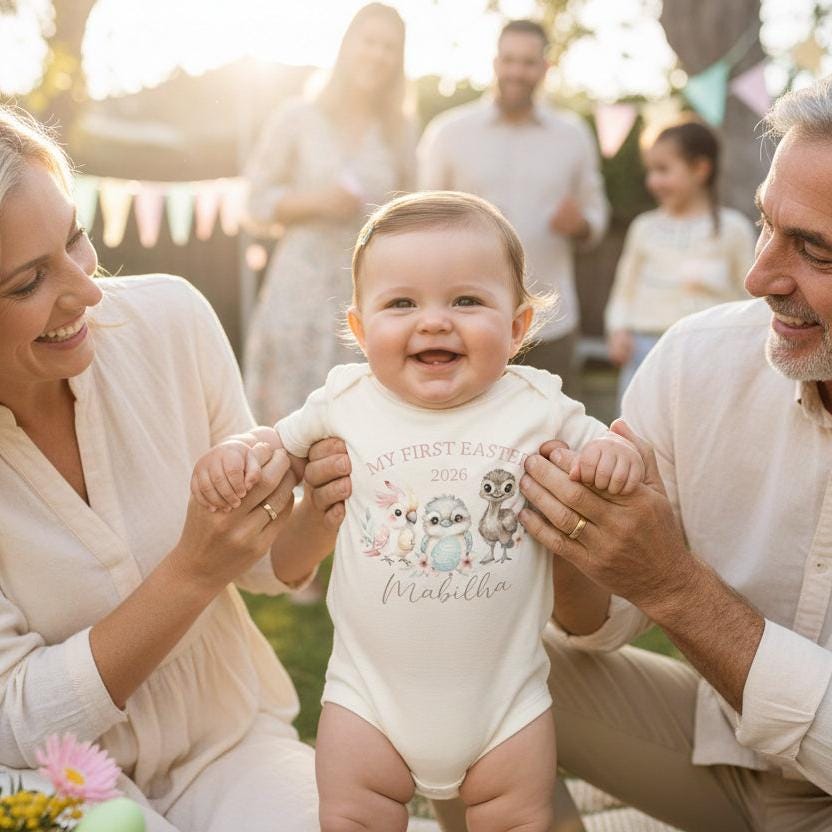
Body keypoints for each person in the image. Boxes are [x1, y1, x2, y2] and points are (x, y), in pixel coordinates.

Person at [193, 191, 645, 832]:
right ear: (359, 329)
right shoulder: (344, 399)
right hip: (367, 700)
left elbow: (602, 443)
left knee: (520, 818)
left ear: (517, 327)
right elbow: (277, 445)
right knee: (350, 814)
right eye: (401, 303)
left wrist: (613, 459)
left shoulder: (538, 406)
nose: (434, 322)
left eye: (466, 300)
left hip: (506, 706)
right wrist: (239, 453)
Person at [0, 105, 351, 832]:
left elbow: (262, 567)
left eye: (76, 239)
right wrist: (190, 571)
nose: (87, 291)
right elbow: (14, 721)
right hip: (40, 786)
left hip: (226, 745)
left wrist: (315, 511)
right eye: (29, 282)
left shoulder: (172, 321)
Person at [504, 78, 832, 830]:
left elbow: (667, 589)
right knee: (466, 676)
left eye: (813, 249)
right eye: (766, 227)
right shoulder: (697, 361)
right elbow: (599, 623)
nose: (758, 279)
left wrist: (675, 587)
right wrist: (570, 536)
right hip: (724, 749)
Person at [243, 2, 416, 425]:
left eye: (389, 47)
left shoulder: (401, 131)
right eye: (369, 41)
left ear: (398, 59)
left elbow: (413, 216)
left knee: (357, 422)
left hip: (367, 297)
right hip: (297, 292)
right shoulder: (297, 118)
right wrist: (315, 202)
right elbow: (254, 203)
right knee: (287, 420)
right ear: (347, 45)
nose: (377, 54)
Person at [418, 19, 609, 393]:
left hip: (549, 322)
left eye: (528, 62)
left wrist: (581, 224)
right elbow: (421, 222)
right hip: (463, 318)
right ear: (494, 63)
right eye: (509, 60)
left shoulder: (572, 136)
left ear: (545, 68)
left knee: (550, 439)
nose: (517, 72)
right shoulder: (449, 133)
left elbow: (596, 217)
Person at [605, 117, 756, 405]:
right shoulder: (644, 228)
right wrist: (618, 329)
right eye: (650, 170)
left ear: (700, 169)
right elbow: (625, 287)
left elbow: (749, 294)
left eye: (663, 170)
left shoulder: (731, 229)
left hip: (711, 353)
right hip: (645, 351)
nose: (653, 181)